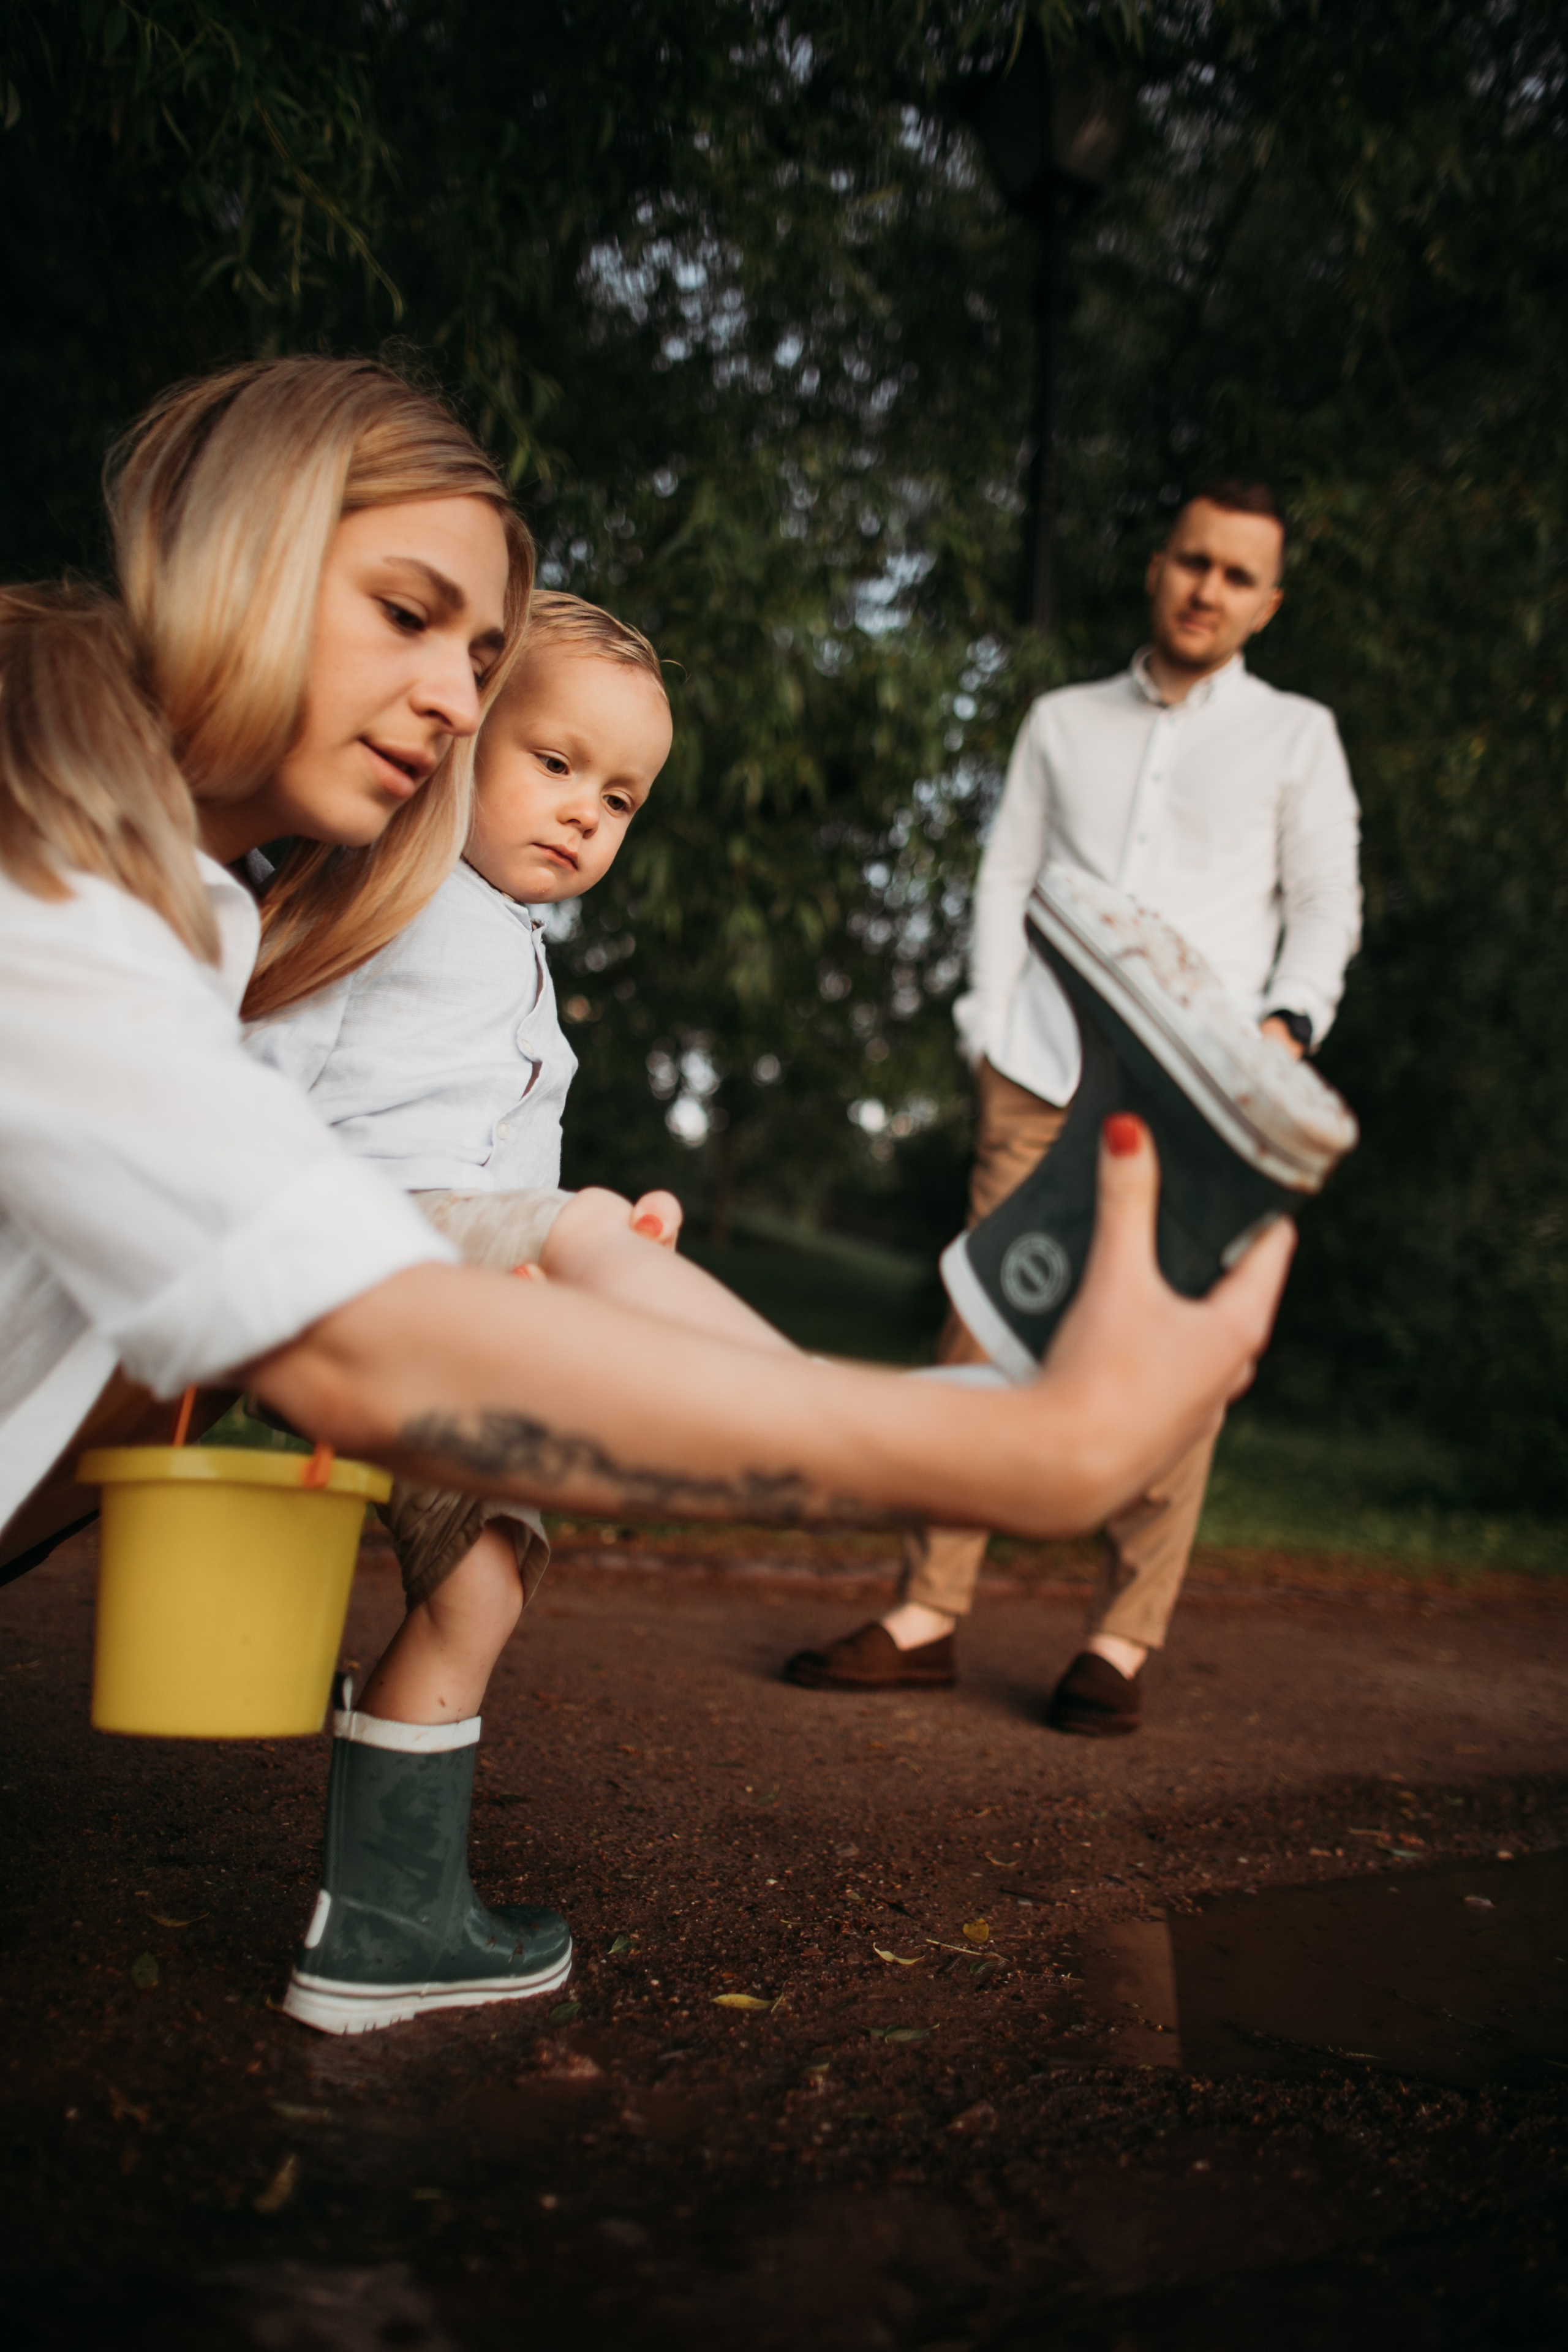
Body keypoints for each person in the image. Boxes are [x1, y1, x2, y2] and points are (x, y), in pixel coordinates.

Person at [0, 364, 1293, 2036]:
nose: (455, 706)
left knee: (542, 1376)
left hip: (384, 1270)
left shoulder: (201, 909)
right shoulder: (55, 879)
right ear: (226, 549)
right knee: (567, 1252)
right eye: (405, 614)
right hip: (402, 1252)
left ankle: (396, 1900)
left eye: (479, 660)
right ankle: (945, 1396)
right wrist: (1014, 1449)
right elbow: (346, 1324)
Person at [786, 481, 1360, 1735]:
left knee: (1177, 1364)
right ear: (1157, 567)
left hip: (1200, 1098)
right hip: (1041, 1072)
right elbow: (1004, 875)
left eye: (1236, 575)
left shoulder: (1295, 737)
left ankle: (1119, 1637)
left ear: (1268, 600)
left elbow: (1323, 904)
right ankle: (926, 1615)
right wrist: (987, 1027)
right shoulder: (1060, 721)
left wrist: (1283, 1029)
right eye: (1191, 562)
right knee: (985, 1318)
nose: (1207, 589)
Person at [246, 589, 794, 1741]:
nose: (585, 814)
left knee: (484, 1588)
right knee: (582, 1233)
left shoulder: (522, 954)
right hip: (362, 1240)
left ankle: (395, 1904)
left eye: (619, 799)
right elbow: (261, 1054)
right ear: (462, 737)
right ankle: (799, 1407)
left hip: (470, 1305)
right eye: (555, 761)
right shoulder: (386, 875)